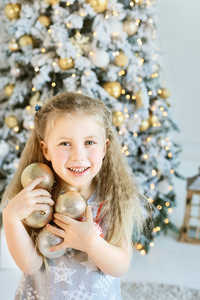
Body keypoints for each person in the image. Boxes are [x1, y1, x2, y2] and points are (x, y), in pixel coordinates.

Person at [2, 92, 144, 300]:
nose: (78, 155)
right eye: (65, 143)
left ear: (105, 147)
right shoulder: (37, 198)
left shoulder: (114, 197)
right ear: (46, 149)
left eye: (89, 142)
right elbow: (30, 265)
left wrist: (91, 242)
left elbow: (120, 266)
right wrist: (11, 217)